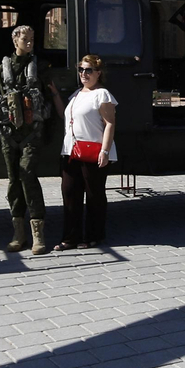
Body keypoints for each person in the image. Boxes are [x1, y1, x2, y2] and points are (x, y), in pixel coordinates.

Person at [0, 25, 52, 254]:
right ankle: (18, 233)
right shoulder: (0, 71)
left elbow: (47, 102)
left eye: (32, 39)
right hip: (8, 134)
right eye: (26, 39)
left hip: (32, 134)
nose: (30, 42)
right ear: (15, 40)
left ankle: (38, 234)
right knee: (14, 180)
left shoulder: (40, 68)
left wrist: (49, 133)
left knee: (27, 175)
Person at [57, 53, 118, 249]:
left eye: (88, 70)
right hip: (71, 151)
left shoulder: (102, 94)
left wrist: (105, 151)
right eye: (81, 69)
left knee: (94, 195)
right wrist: (54, 95)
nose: (84, 73)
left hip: (93, 151)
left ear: (98, 73)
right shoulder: (76, 95)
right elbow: (65, 116)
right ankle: (69, 238)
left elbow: (110, 124)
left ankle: (94, 236)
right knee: (70, 194)